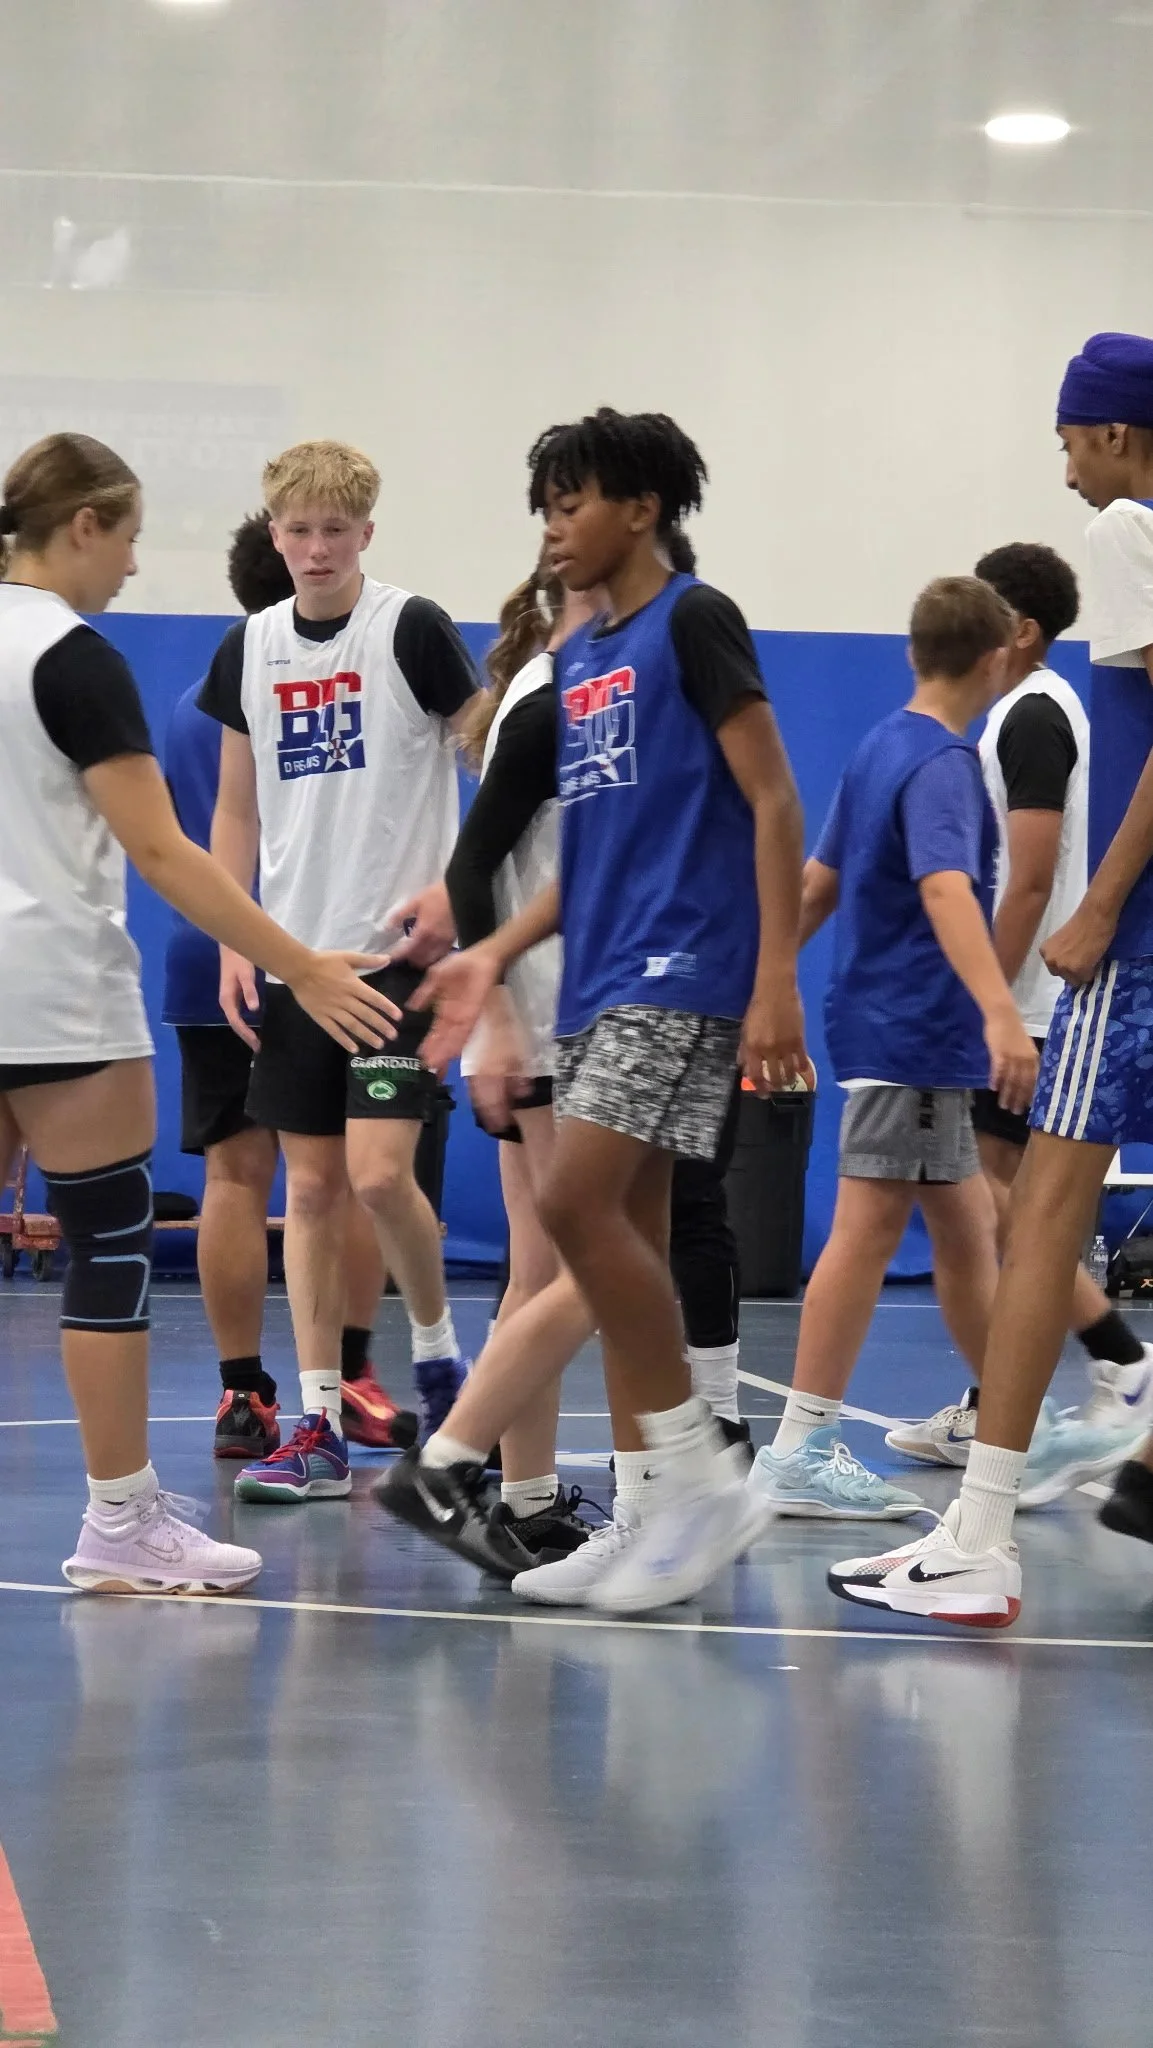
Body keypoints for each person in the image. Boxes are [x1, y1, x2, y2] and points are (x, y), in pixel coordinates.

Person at [408, 406, 807, 1614]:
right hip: (594, 979)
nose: (552, 526)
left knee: (573, 1205)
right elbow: (587, 860)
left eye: (571, 502)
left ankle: (700, 1476)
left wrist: (776, 978)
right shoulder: (582, 659)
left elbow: (774, 799)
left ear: (641, 508)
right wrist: (495, 952)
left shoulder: (695, 619)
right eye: (544, 505)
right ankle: (648, 1513)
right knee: (617, 1229)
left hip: (681, 970)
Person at [0, 431, 400, 1591]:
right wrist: (301, 965)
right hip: (57, 995)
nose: (131, 566)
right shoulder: (72, 657)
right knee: (105, 1252)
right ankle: (121, 1520)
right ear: (83, 525)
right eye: (126, 538)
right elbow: (165, 849)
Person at [828, 331, 1153, 1624]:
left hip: (1128, 950)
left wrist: (1097, 909)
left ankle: (980, 1532)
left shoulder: (1128, 528)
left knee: (1042, 1221)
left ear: (1116, 434)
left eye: (1071, 439)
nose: (1067, 467)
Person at [198, 440, 478, 1505]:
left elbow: (490, 760)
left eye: (334, 531)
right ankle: (316, 1423)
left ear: (366, 533)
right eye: (299, 530)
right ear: (274, 535)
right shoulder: (250, 646)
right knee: (309, 1190)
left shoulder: (410, 628)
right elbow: (236, 808)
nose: (316, 549)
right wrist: (237, 939)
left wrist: (459, 889)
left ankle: (440, 1360)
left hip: (396, 958)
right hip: (297, 962)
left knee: (377, 1178)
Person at [746, 578, 1038, 1522]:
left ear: (913, 653)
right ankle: (799, 1445)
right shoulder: (944, 763)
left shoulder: (880, 744)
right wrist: (1000, 1012)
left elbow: (816, 884)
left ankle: (1009, 1429)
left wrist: (766, 976)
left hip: (908, 1036)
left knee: (964, 1229)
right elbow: (946, 888)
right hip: (913, 1033)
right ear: (995, 660)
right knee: (869, 1226)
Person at [887, 543, 1153, 1473]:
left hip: (1033, 1002)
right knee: (994, 1206)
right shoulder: (1039, 709)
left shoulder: (1033, 715)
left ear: (1022, 631)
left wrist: (985, 999)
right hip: (1030, 999)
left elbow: (1031, 879)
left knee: (1008, 1209)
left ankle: (1102, 1374)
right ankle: (1021, 1396)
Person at [162, 510, 416, 1461]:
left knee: (234, 1176)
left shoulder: (186, 706)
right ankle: (347, 1376)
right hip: (311, 954)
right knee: (341, 1180)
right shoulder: (318, 682)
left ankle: (243, 1394)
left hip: (212, 953)